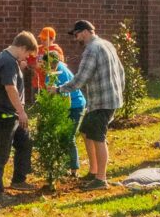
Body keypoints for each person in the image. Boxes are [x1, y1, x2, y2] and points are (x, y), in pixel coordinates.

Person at [51, 20, 124, 191]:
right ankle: (93, 171)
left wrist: (59, 90)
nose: (76, 38)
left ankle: (101, 179)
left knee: (98, 137)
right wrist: (118, 92)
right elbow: (121, 71)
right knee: (85, 131)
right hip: (107, 99)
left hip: (102, 101)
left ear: (84, 32)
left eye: (76, 34)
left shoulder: (91, 50)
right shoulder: (107, 44)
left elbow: (81, 79)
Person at [0, 30, 38, 204]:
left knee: (25, 141)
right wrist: (21, 111)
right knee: (1, 153)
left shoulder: (10, 59)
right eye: (28, 53)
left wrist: (19, 68)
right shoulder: (7, 61)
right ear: (22, 47)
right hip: (1, 114)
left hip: (11, 114)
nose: (27, 57)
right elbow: (10, 88)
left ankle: (18, 180)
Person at [43, 50, 86, 176]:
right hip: (62, 106)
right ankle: (63, 167)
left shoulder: (61, 72)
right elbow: (48, 89)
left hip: (74, 106)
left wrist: (60, 110)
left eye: (50, 64)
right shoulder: (50, 71)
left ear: (55, 63)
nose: (48, 67)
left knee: (68, 136)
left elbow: (65, 94)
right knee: (61, 136)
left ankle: (74, 169)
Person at [31, 26, 66, 92]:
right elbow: (29, 61)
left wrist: (43, 66)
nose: (42, 41)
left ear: (52, 39)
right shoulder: (38, 49)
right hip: (37, 83)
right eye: (41, 39)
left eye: (44, 39)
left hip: (49, 84)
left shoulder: (56, 50)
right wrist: (34, 65)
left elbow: (58, 67)